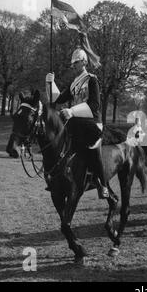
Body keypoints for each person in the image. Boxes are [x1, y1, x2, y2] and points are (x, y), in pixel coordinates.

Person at [45, 48, 109, 199]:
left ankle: (102, 183)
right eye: (73, 63)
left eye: (77, 62)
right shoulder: (74, 84)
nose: (74, 65)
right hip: (76, 124)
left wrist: (72, 111)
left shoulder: (92, 79)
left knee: (92, 149)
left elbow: (95, 105)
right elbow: (57, 99)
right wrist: (50, 82)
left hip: (92, 123)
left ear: (84, 62)